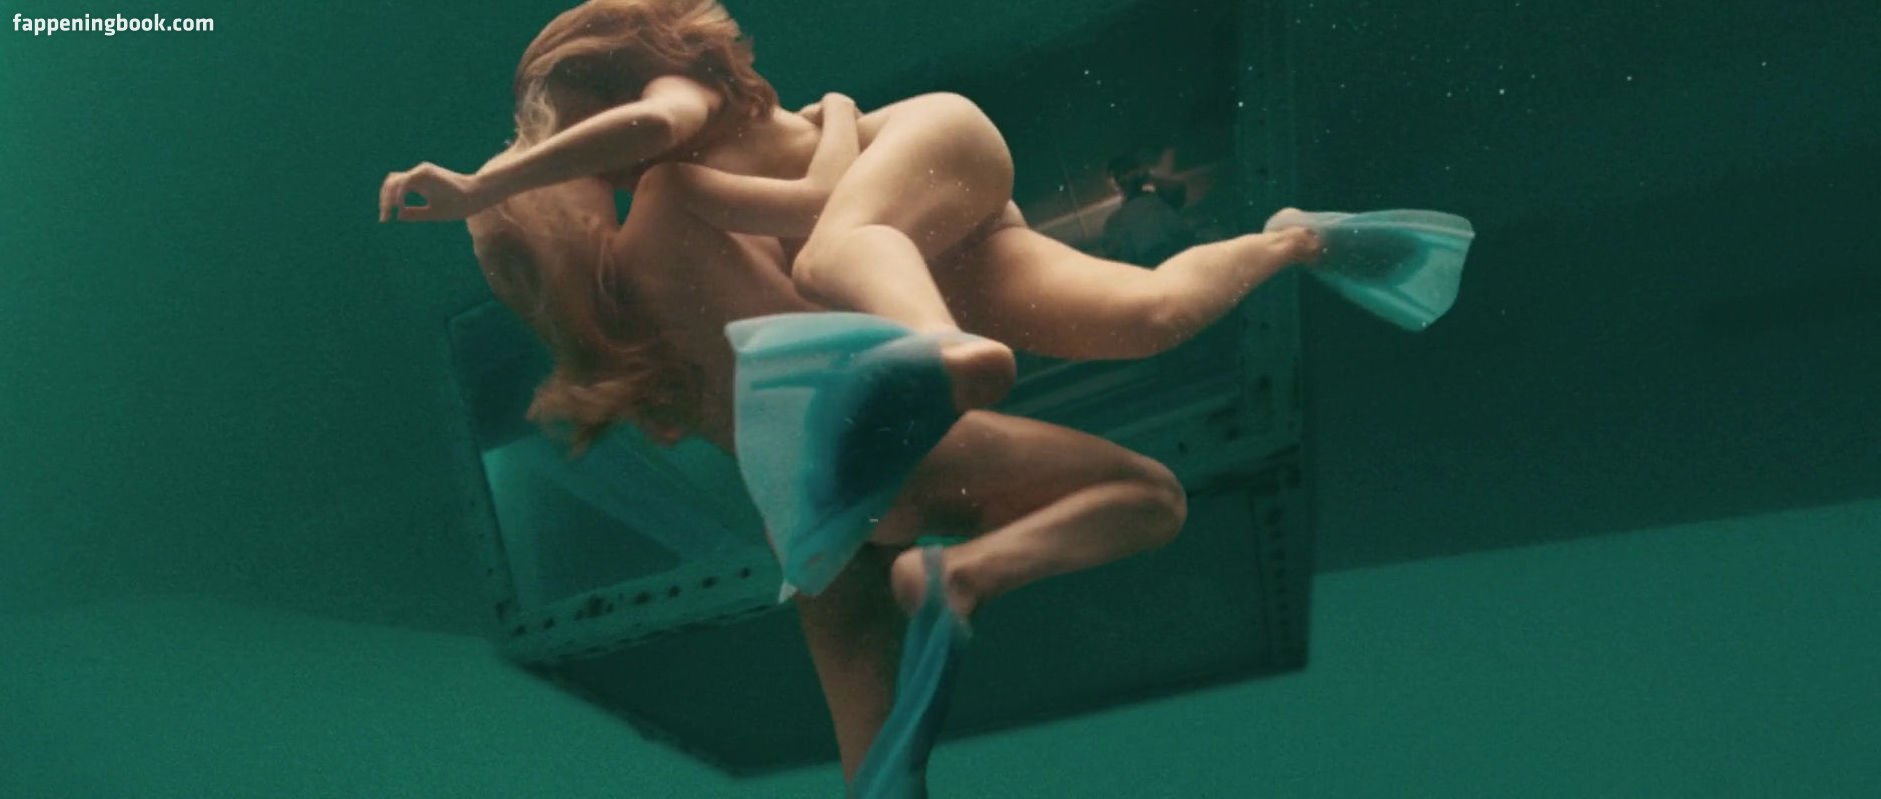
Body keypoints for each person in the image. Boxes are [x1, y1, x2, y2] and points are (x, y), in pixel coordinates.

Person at [453, 150, 1188, 791]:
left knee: (879, 778)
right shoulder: (671, 207)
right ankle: (965, 574)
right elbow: (831, 204)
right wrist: (834, 115)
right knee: (1147, 493)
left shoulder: (600, 351)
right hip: (873, 452)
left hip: (803, 530)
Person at [1101, 150, 1198, 267]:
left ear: (1137, 172)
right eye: (1116, 176)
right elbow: (1116, 260)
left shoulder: (1162, 197)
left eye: (1125, 172)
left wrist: (1147, 177)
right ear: (1112, 183)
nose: (1121, 178)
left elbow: (1179, 190)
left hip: (1185, 260)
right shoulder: (1115, 220)